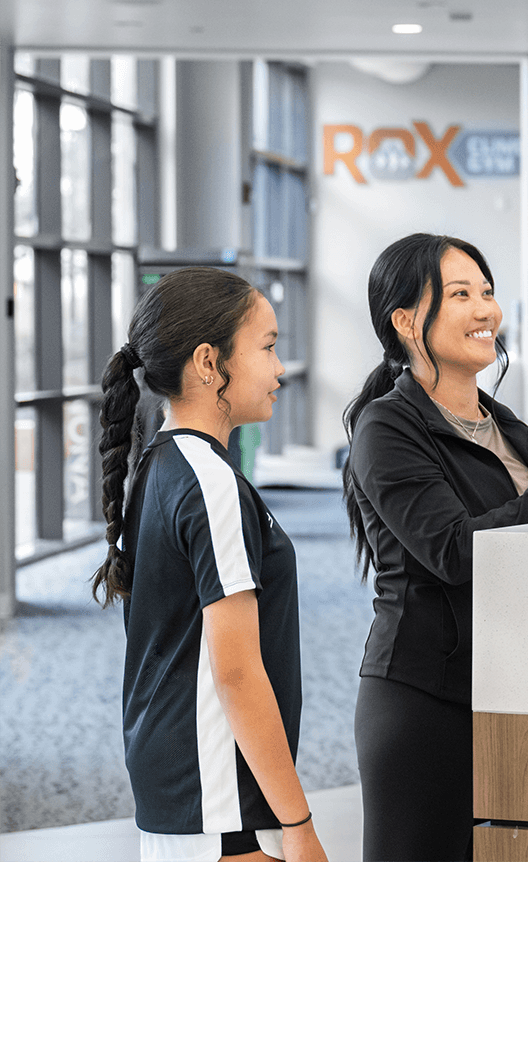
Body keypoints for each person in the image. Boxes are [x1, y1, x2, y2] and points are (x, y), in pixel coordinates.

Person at [344, 233, 528, 861]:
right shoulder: (387, 426)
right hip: (425, 699)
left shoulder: (502, 425)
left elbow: (524, 541)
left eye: (487, 291)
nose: (487, 310)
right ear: (405, 322)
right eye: (461, 294)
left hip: (506, 688)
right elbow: (455, 552)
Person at [96, 267, 326, 862]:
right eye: (268, 347)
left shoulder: (162, 462)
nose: (279, 368)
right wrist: (298, 823)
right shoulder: (209, 484)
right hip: (218, 795)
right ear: (208, 362)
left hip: (180, 785)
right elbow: (237, 674)